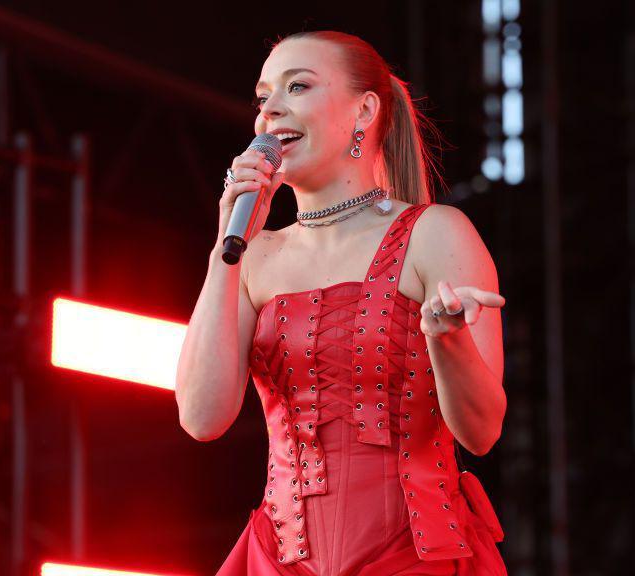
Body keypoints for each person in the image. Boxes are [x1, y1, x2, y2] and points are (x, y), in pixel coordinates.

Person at [175, 30, 508, 576]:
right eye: (263, 98)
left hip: (414, 556)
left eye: (297, 86)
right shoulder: (254, 256)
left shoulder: (433, 233)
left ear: (365, 111)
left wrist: (445, 340)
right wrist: (223, 252)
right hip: (279, 561)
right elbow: (201, 418)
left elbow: (482, 430)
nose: (270, 111)